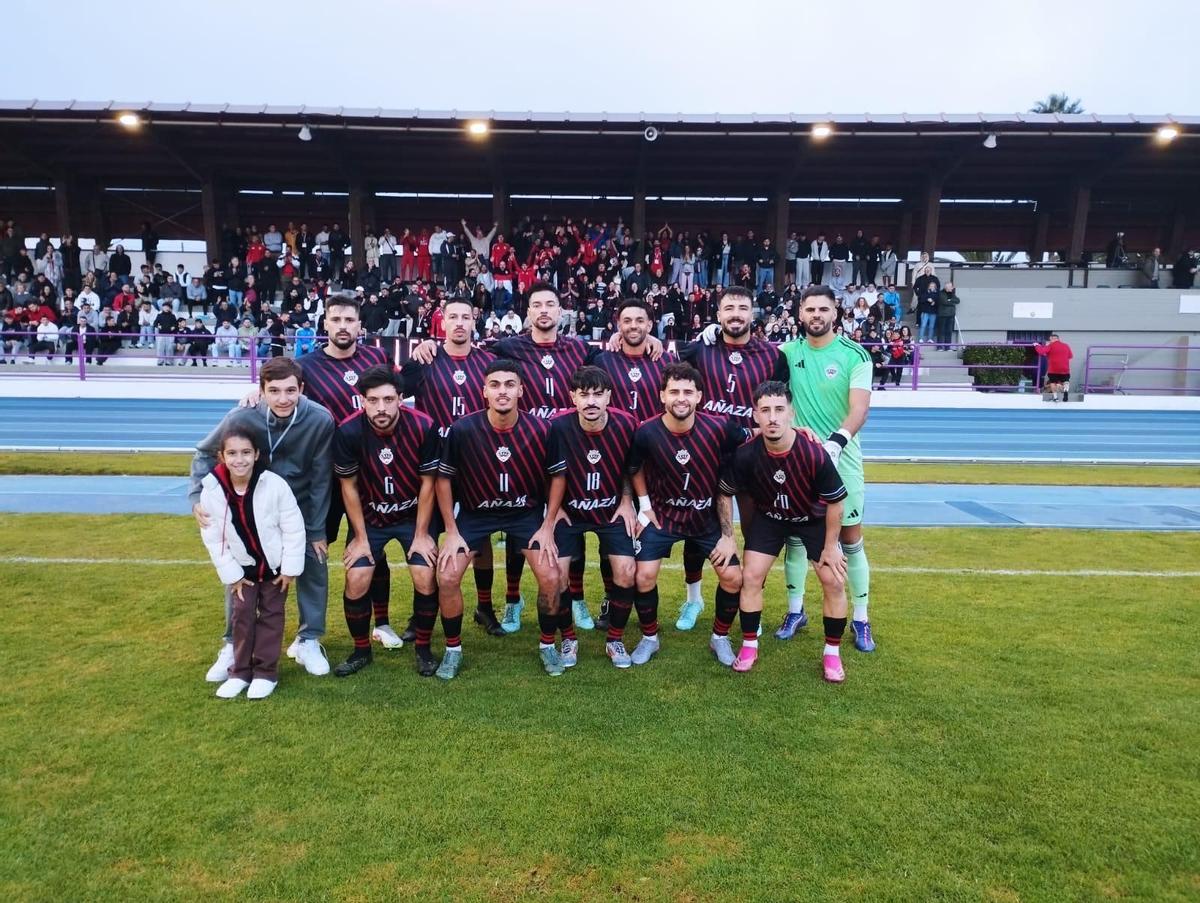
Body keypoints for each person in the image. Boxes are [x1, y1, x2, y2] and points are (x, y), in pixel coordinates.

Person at [190, 357, 335, 682]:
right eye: (274, 391)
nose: (283, 398)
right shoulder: (242, 415)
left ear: (302, 389)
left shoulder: (320, 420)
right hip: (250, 509)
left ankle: (309, 639)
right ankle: (231, 644)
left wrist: (315, 530)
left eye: (290, 390)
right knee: (240, 574)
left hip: (297, 507)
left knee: (315, 563)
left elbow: (321, 478)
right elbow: (203, 453)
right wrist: (196, 496)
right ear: (261, 391)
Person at [435, 359, 562, 679]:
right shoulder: (463, 429)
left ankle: (548, 645)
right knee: (448, 576)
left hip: (525, 514)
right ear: (484, 392)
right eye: (495, 385)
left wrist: (548, 526)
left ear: (521, 390)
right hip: (476, 515)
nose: (502, 391)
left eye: (509, 385)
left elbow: (557, 476)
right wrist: (451, 530)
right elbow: (443, 479)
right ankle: (452, 650)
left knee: (551, 576)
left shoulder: (542, 428)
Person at [718, 382, 850, 680]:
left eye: (779, 409)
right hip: (771, 519)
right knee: (750, 577)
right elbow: (724, 492)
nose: (773, 417)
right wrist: (728, 536)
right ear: (755, 415)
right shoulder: (746, 454)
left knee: (834, 581)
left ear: (791, 412)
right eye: (765, 410)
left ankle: (832, 654)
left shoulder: (814, 454)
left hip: (813, 518)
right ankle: (750, 645)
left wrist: (830, 547)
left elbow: (836, 503)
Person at [625, 362, 749, 667]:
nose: (681, 398)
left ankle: (719, 637)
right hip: (662, 518)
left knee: (733, 577)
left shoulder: (720, 428)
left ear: (699, 397)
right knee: (643, 576)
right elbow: (634, 468)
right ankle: (649, 638)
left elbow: (757, 435)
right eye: (674, 391)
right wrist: (644, 506)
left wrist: (728, 535)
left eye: (688, 392)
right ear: (662, 396)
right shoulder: (646, 431)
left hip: (705, 520)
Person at [680, 286, 789, 629]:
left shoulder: (773, 356)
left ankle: (750, 604)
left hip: (755, 460)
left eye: (743, 307)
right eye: (729, 308)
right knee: (697, 529)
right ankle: (692, 600)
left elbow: (782, 404)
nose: (736, 314)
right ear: (718, 314)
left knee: (757, 534)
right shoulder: (699, 350)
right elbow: (666, 372)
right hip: (708, 457)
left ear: (752, 313)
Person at [778, 285, 876, 653]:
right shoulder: (788, 352)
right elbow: (745, 356)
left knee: (849, 540)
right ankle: (794, 611)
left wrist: (836, 442)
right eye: (810, 309)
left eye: (823, 309)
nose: (816, 315)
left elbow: (860, 409)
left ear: (836, 313)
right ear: (799, 315)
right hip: (798, 464)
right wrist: (708, 335)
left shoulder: (856, 355)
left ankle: (862, 618)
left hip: (842, 462)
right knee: (795, 539)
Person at [333, 366, 443, 678]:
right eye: (373, 400)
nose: (381, 408)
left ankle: (423, 648)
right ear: (362, 401)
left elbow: (428, 484)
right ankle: (360, 650)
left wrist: (422, 534)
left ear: (400, 398)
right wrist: (360, 537)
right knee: (357, 577)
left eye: (388, 399)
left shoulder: (424, 426)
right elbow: (349, 487)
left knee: (424, 574)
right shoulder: (349, 431)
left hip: (412, 516)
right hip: (370, 518)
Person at [399, 299, 500, 637]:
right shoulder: (424, 360)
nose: (459, 323)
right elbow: (391, 393)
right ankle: (420, 614)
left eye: (465, 317)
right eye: (452, 317)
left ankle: (484, 607)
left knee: (481, 538)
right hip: (430, 466)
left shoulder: (491, 362)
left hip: (476, 465)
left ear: (475, 321)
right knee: (426, 537)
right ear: (442, 323)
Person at [541, 366, 639, 668]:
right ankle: (569, 638)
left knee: (626, 571)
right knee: (555, 576)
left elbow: (630, 467)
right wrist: (553, 511)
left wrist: (626, 501)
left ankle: (615, 639)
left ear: (609, 395)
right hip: (570, 514)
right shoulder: (557, 427)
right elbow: (548, 472)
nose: (591, 401)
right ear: (573, 397)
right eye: (584, 395)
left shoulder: (626, 424)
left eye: (598, 394)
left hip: (610, 511)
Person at [198, 425, 305, 700]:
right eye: (232, 453)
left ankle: (266, 673)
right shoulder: (212, 490)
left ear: (256, 454)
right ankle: (240, 672)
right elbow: (214, 538)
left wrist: (290, 568)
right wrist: (232, 575)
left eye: (246, 452)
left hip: (274, 569)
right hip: (242, 572)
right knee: (242, 617)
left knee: (271, 617)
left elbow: (293, 526)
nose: (239, 459)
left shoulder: (274, 484)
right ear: (222, 456)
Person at [1035, 333, 1074, 402]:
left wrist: (1037, 345)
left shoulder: (1051, 345)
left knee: (1053, 382)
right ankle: (1065, 391)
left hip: (1053, 369)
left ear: (1052, 339)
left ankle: (1055, 398)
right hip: (1065, 368)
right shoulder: (1066, 346)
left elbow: (1041, 352)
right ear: (1058, 339)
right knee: (1066, 381)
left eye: (1050, 340)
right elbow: (1070, 356)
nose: (1050, 341)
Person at [935, 281, 960, 350]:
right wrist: (951, 301)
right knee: (941, 332)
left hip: (951, 316)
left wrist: (950, 300)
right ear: (946, 287)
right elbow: (944, 302)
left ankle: (947, 347)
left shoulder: (952, 294)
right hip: (942, 315)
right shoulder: (941, 293)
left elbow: (957, 300)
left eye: (952, 287)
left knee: (949, 332)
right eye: (950, 287)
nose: (952, 288)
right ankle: (939, 347)